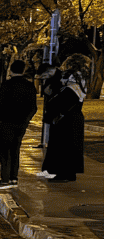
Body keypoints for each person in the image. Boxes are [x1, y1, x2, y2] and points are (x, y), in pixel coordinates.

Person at [0, 59, 38, 190]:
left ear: (11, 70)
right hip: (21, 123)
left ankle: (4, 179)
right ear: (23, 70)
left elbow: (0, 103)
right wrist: (26, 120)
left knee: (5, 151)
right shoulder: (30, 86)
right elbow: (33, 107)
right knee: (15, 150)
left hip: (6, 122)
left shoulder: (7, 85)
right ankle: (13, 178)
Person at [40, 54, 87, 182]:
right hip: (73, 118)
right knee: (71, 147)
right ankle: (69, 173)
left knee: (62, 147)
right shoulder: (79, 80)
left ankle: (61, 174)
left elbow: (62, 99)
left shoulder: (70, 82)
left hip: (65, 119)